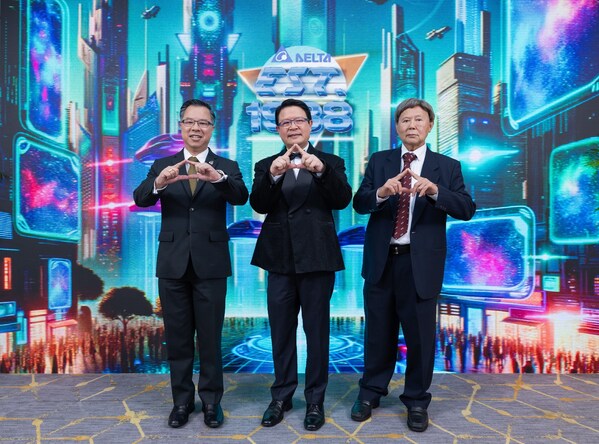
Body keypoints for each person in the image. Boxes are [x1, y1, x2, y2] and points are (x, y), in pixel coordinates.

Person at [351, 98, 476, 432]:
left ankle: (417, 400)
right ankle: (371, 392)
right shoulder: (380, 161)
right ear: (397, 127)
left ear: (430, 125)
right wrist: (381, 193)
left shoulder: (447, 167)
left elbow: (466, 208)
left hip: (420, 265)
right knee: (377, 334)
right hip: (381, 262)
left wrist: (436, 192)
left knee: (420, 338)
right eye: (405, 120)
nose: (411, 125)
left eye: (418, 119)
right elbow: (360, 203)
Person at [133, 99, 248, 429]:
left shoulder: (226, 165)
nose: (196, 128)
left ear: (212, 128)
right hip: (172, 264)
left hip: (211, 264)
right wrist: (159, 183)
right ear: (180, 126)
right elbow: (141, 198)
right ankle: (181, 402)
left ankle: (212, 402)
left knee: (210, 338)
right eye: (190, 122)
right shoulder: (163, 164)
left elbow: (241, 196)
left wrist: (218, 179)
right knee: (178, 338)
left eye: (203, 123)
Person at [250, 98, 352, 431]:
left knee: (317, 332)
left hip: (318, 259)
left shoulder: (331, 161)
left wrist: (320, 171)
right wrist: (273, 176)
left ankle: (315, 400)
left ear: (310, 124)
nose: (293, 126)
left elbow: (342, 199)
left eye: (298, 120)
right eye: (285, 122)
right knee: (281, 332)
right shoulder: (267, 164)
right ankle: (281, 396)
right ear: (278, 130)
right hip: (279, 259)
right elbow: (259, 204)